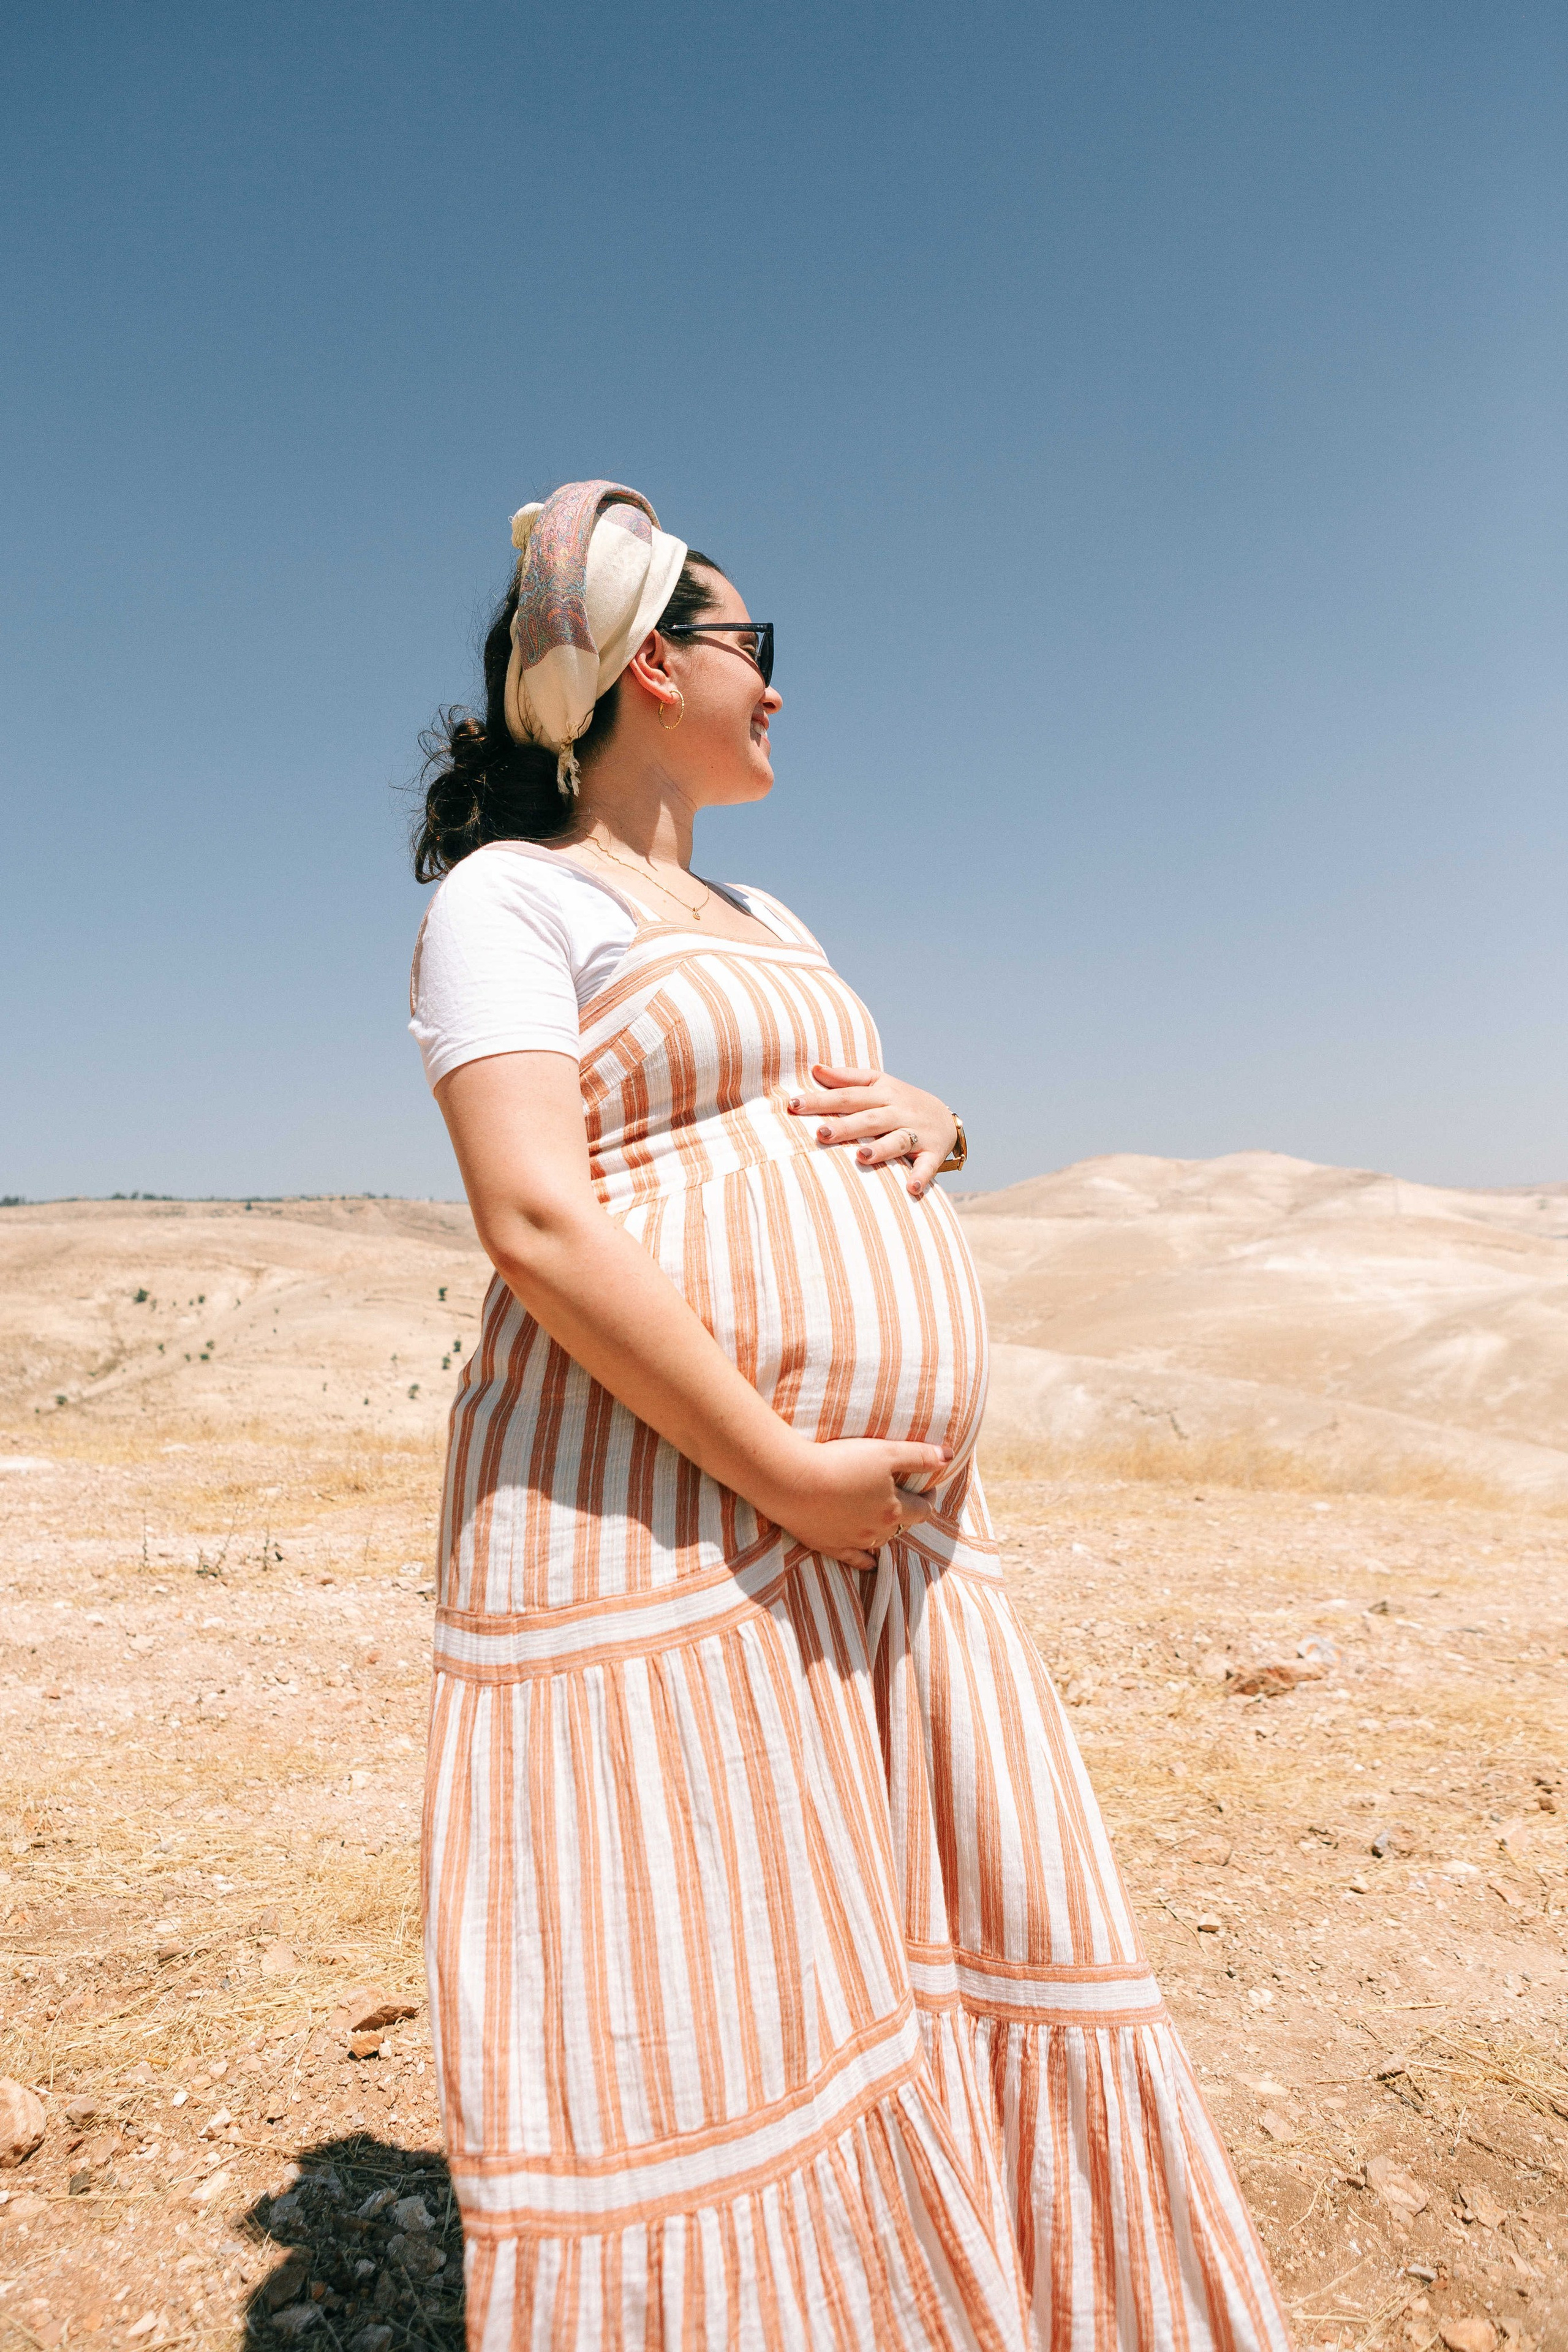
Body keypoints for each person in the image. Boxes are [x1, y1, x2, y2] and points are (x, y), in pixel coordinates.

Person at [409, 481, 1290, 2352]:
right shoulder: (512, 900)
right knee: (723, 1979)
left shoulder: (766, 905)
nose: (780, 693)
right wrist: (790, 1463)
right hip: (661, 1524)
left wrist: (941, 1122)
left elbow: (830, 1117)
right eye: (756, 650)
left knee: (915, 1953)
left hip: (882, 1559)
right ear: (656, 663)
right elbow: (539, 1215)